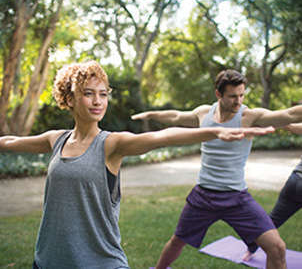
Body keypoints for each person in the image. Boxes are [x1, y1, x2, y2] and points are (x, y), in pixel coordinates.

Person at [0, 62, 274, 269]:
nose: (98, 101)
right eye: (88, 93)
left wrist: (213, 132)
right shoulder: (55, 140)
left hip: (98, 262)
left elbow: (161, 137)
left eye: (103, 94)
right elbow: (11, 141)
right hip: (48, 260)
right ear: (69, 99)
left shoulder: (112, 144)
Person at [132, 69, 302, 269]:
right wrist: (150, 114)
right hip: (203, 196)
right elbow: (176, 116)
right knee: (177, 241)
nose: (238, 101)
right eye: (232, 96)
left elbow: (289, 114)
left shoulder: (249, 116)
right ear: (218, 94)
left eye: (241, 95)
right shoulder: (205, 113)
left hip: (237, 198)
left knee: (277, 247)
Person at [243, 123, 302, 261]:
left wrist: (273, 122)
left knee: (272, 221)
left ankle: (249, 250)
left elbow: (290, 126)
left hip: (295, 180)